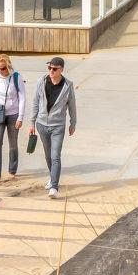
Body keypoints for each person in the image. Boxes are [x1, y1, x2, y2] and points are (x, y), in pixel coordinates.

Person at [29, 57, 79, 198]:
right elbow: (35, 103)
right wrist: (32, 122)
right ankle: (52, 177)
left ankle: (54, 187)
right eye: (49, 68)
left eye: (54, 69)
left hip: (58, 126)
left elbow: (72, 106)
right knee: (48, 154)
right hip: (42, 124)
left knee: (55, 155)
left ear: (61, 70)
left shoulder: (68, 85)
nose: (51, 71)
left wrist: (73, 123)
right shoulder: (41, 82)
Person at [0, 54, 24, 181]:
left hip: (13, 114)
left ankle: (12, 170)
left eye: (3, 68)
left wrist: (20, 117)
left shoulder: (16, 77)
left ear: (8, 66)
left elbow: (22, 98)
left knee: (13, 144)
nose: (0, 71)